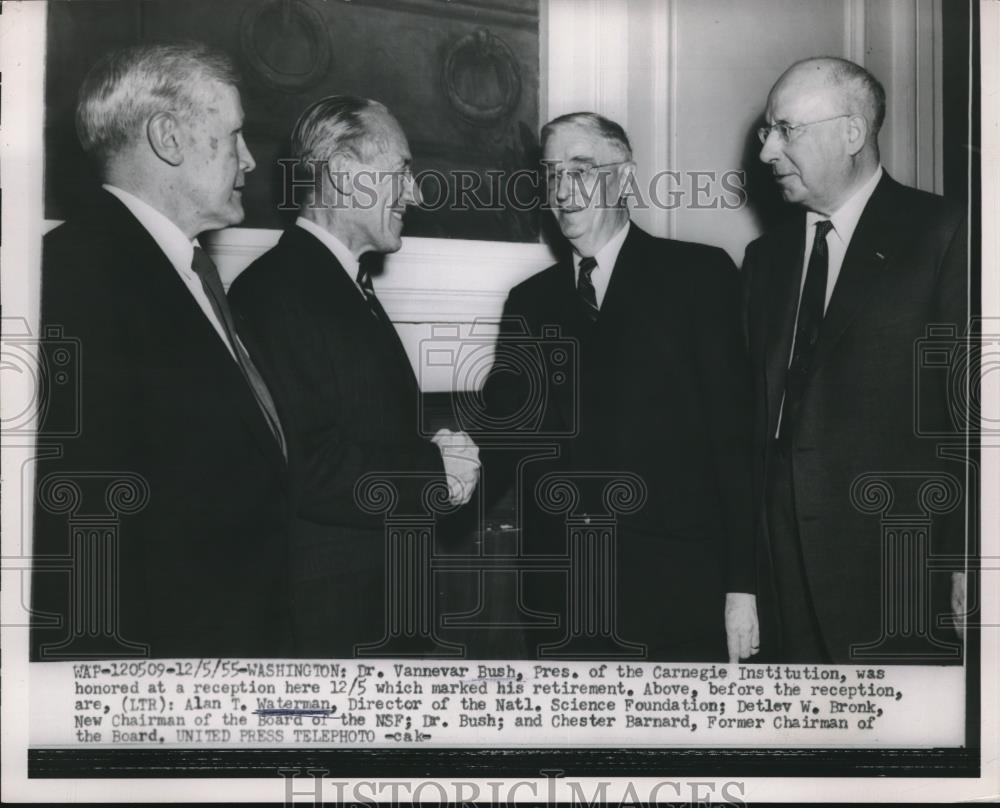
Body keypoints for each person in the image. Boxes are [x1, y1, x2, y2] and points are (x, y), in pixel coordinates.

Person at [32, 43, 292, 659]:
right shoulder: (75, 276)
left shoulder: (184, 268)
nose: (250, 160)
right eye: (233, 136)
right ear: (169, 138)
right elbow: (84, 529)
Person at [483, 112, 754, 662]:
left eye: (580, 170)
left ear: (625, 180)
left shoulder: (699, 278)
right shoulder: (529, 303)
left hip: (677, 598)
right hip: (563, 602)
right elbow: (502, 432)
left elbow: (737, 446)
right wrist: (447, 469)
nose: (561, 190)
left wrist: (742, 587)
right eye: (552, 173)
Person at [230, 96, 479, 657]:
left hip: (375, 605)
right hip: (336, 622)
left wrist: (433, 449)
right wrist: (436, 473)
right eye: (402, 172)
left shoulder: (336, 283)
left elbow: (359, 429)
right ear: (343, 173)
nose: (414, 193)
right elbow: (312, 465)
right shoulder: (278, 291)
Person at [743, 57, 968, 663]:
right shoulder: (763, 260)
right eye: (767, 131)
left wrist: (964, 558)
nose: (767, 151)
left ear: (851, 134)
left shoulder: (947, 234)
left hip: (895, 570)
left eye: (786, 129)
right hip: (780, 572)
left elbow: (970, 421)